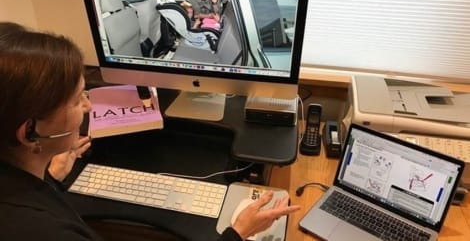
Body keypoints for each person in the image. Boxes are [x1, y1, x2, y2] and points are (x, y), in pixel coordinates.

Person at [0, 22, 300, 241]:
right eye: (78, 98)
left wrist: (51, 180)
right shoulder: (44, 231)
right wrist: (238, 233)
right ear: (29, 133)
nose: (90, 106)